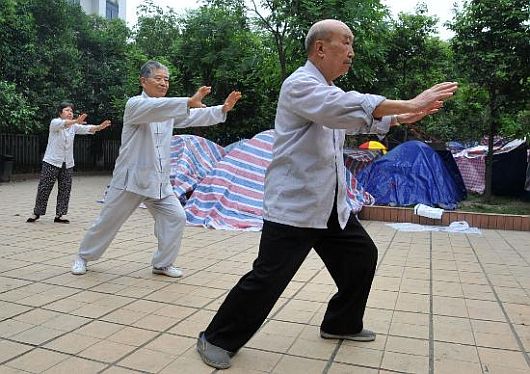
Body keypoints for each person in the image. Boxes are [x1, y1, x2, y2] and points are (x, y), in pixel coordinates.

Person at [196, 19, 458, 369]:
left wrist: (401, 118)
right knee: (269, 276)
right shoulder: (301, 84)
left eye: (353, 44)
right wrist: (408, 103)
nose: (351, 52)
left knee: (361, 257)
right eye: (345, 43)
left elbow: (349, 118)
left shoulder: (327, 90)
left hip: (329, 204)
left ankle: (341, 323)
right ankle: (216, 338)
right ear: (320, 48)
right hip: (295, 205)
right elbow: (342, 108)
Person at [71, 60, 241, 278]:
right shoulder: (135, 105)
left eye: (167, 79)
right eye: (158, 78)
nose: (164, 83)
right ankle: (83, 257)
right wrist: (188, 101)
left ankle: (162, 264)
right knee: (107, 221)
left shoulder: (167, 109)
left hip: (159, 181)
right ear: (143, 81)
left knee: (176, 218)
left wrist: (222, 109)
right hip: (130, 180)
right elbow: (159, 108)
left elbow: (190, 115)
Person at [26, 103, 111, 224]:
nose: (70, 112)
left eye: (71, 111)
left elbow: (88, 129)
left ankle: (60, 215)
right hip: (51, 162)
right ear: (60, 113)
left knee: (65, 189)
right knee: (44, 189)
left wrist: (100, 127)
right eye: (67, 110)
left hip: (68, 163)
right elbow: (64, 124)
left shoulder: (74, 126)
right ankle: (36, 213)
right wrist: (76, 120)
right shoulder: (55, 123)